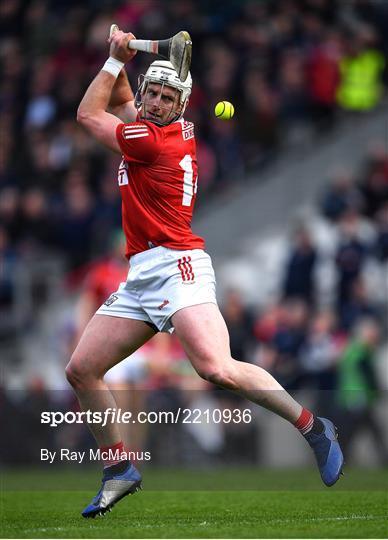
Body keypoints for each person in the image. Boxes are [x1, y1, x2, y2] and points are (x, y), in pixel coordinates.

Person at [66, 27, 344, 519]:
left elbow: (89, 113)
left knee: (216, 368)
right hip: (141, 275)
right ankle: (119, 469)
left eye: (165, 96)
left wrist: (112, 60)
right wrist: (130, 56)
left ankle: (312, 426)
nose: (153, 101)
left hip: (179, 267)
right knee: (82, 369)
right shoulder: (154, 125)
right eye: (152, 92)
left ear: (180, 105)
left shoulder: (152, 143)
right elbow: (127, 98)